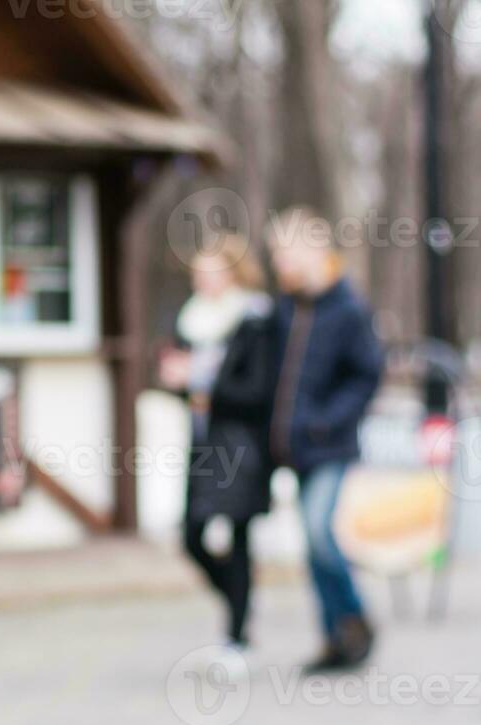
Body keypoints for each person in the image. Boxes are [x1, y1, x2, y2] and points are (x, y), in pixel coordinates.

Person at [265, 207, 385, 673]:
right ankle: (336, 636)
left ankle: (354, 618)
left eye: (285, 253)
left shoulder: (347, 308)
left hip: (329, 445)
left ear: (314, 250)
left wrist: (325, 420)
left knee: (319, 532)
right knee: (313, 545)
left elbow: (366, 375)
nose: (280, 264)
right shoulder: (286, 309)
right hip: (294, 447)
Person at [160, 237, 278, 663]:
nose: (202, 280)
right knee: (191, 535)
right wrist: (180, 383)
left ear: (234, 273)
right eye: (198, 272)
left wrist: (200, 380)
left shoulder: (255, 320)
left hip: (242, 445)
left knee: (239, 534)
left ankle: (237, 635)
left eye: (211, 271)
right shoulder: (192, 321)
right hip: (204, 443)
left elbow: (256, 391)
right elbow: (190, 392)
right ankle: (238, 603)